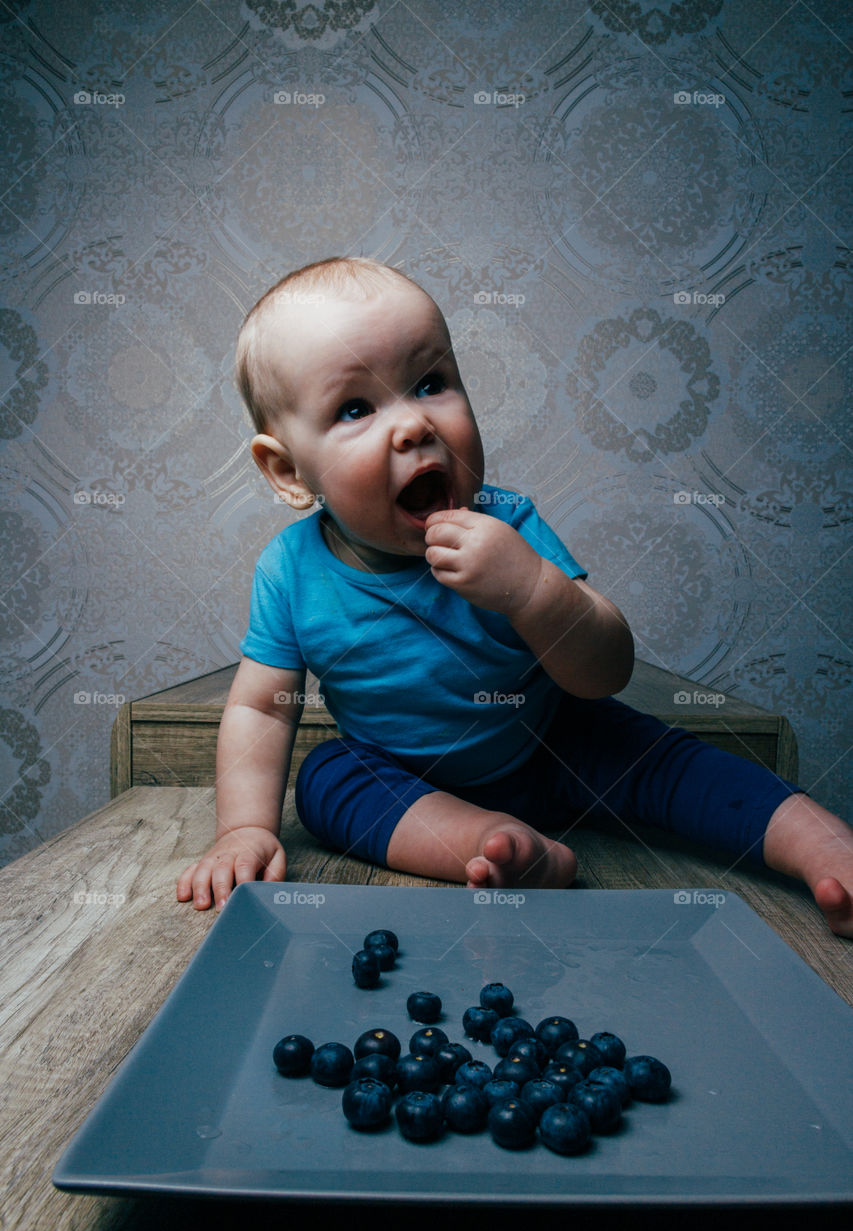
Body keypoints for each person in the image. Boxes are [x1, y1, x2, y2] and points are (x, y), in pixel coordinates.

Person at [177, 256, 853, 937]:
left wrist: (532, 590)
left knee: (664, 759)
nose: (413, 425)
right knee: (327, 778)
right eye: (356, 408)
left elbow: (606, 671)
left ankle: (822, 844)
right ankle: (491, 843)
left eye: (430, 383)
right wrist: (242, 828)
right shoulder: (291, 570)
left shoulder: (509, 523)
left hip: (550, 742)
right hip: (404, 778)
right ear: (289, 472)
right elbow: (261, 709)